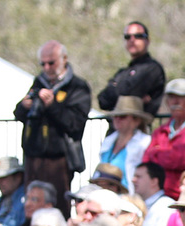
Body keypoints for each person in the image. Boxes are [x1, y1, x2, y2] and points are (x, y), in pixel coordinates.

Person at [14, 42, 92, 211]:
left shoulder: (78, 86)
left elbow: (75, 123)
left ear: (64, 59)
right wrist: (25, 106)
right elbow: (19, 115)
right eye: (43, 64)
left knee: (57, 204)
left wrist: (53, 105)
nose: (47, 68)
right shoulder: (38, 82)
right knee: (31, 203)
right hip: (33, 157)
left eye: (52, 63)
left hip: (59, 160)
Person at [97, 21, 166, 118]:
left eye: (138, 36)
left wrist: (115, 87)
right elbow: (103, 101)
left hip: (139, 128)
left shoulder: (153, 69)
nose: (132, 40)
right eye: (127, 37)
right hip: (116, 129)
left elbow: (130, 96)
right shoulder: (123, 72)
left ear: (147, 40)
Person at [95, 97, 153, 191]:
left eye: (123, 116)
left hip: (129, 196)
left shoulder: (145, 143)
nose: (117, 119)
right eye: (115, 116)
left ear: (136, 121)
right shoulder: (108, 141)